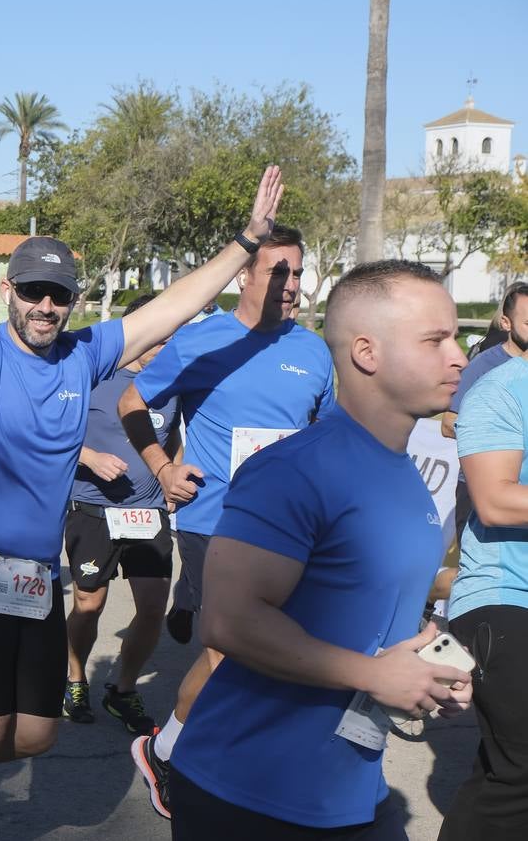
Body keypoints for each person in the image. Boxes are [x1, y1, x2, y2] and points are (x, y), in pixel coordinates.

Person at [0, 101, 286, 841]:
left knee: (36, 736)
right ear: (6, 291)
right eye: (32, 291)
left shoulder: (85, 354)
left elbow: (174, 307)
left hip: (33, 578)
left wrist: (245, 243)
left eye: (58, 295)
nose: (45, 306)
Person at [167, 260, 473, 839]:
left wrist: (426, 667)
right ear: (366, 352)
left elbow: (371, 611)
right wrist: (376, 677)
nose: (457, 356)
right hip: (249, 794)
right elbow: (228, 622)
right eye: (435, 339)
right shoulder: (293, 470)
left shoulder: (407, 474)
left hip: (349, 791)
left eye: (455, 337)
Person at [121, 226, 336, 819]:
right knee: (230, 649)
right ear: (244, 275)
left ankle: (229, 756)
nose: (290, 284)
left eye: (297, 272)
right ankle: (164, 751)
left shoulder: (313, 351)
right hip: (215, 520)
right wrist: (163, 467)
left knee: (269, 649)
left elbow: (327, 433)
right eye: (277, 272)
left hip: (291, 528)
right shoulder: (201, 343)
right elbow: (131, 404)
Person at [61, 293, 180, 734]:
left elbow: (172, 440)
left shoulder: (170, 383)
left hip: (148, 513)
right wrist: (90, 458)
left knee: (152, 608)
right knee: (89, 605)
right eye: (160, 339)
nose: (166, 348)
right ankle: (75, 678)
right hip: (93, 507)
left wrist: (170, 480)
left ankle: (123, 689)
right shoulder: (93, 374)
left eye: (172, 339)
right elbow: (52, 430)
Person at [440, 323, 528, 840]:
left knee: (506, 768)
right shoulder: (503, 388)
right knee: (519, 771)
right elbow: (494, 501)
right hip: (506, 595)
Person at [432, 283, 528, 608]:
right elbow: (448, 422)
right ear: (507, 323)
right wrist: (497, 440)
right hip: (473, 486)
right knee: (466, 569)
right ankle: (427, 595)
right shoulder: (489, 373)